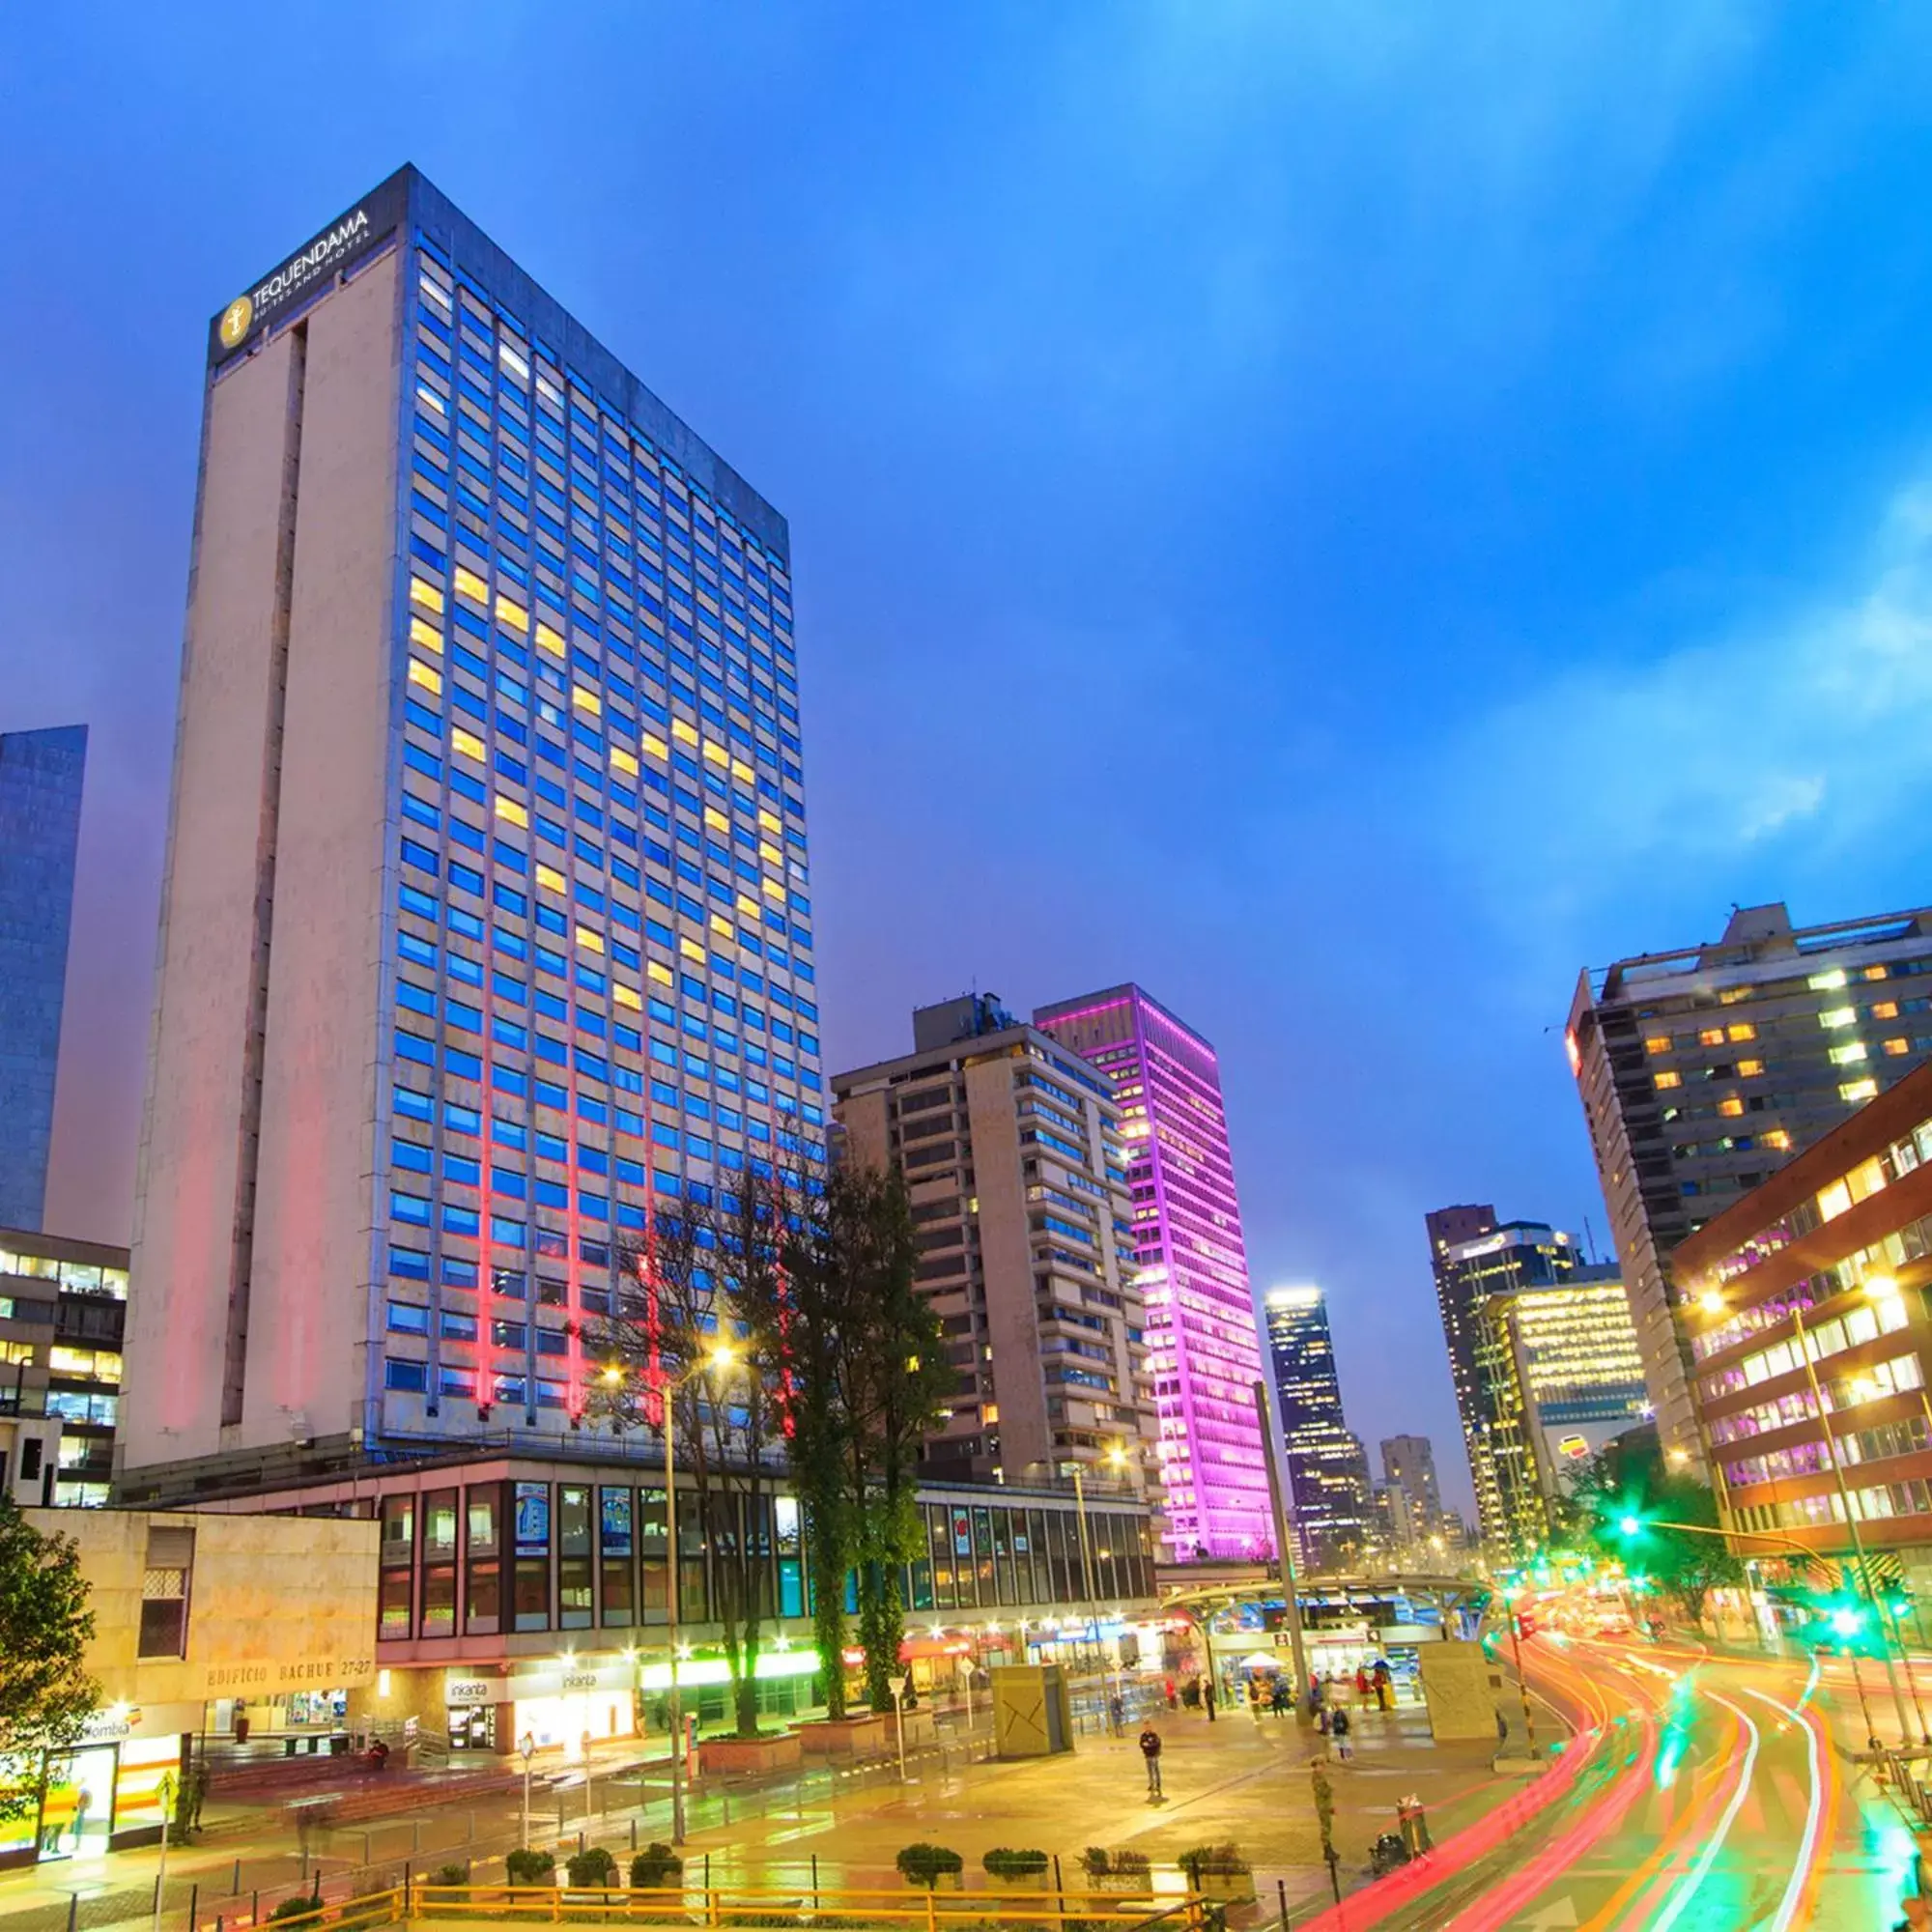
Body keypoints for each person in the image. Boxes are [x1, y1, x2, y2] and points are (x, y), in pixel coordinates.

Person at [1139, 1725, 1163, 1798]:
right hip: (1147, 1755)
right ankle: (1152, 1784)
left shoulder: (1154, 1735)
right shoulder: (1143, 1736)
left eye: (1148, 1727)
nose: (1147, 1728)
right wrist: (1144, 1746)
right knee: (1150, 1771)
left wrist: (1148, 1745)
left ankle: (1158, 1784)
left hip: (1154, 1755)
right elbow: (1141, 1744)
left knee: (1155, 1770)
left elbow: (1157, 1744)